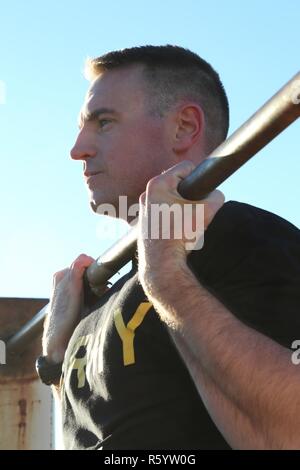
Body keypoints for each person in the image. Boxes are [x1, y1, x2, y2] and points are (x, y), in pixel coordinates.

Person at [41, 45, 300, 449]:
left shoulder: (240, 237)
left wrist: (165, 278)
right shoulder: (104, 295)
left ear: (183, 127)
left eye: (104, 122)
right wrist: (55, 363)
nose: (78, 149)